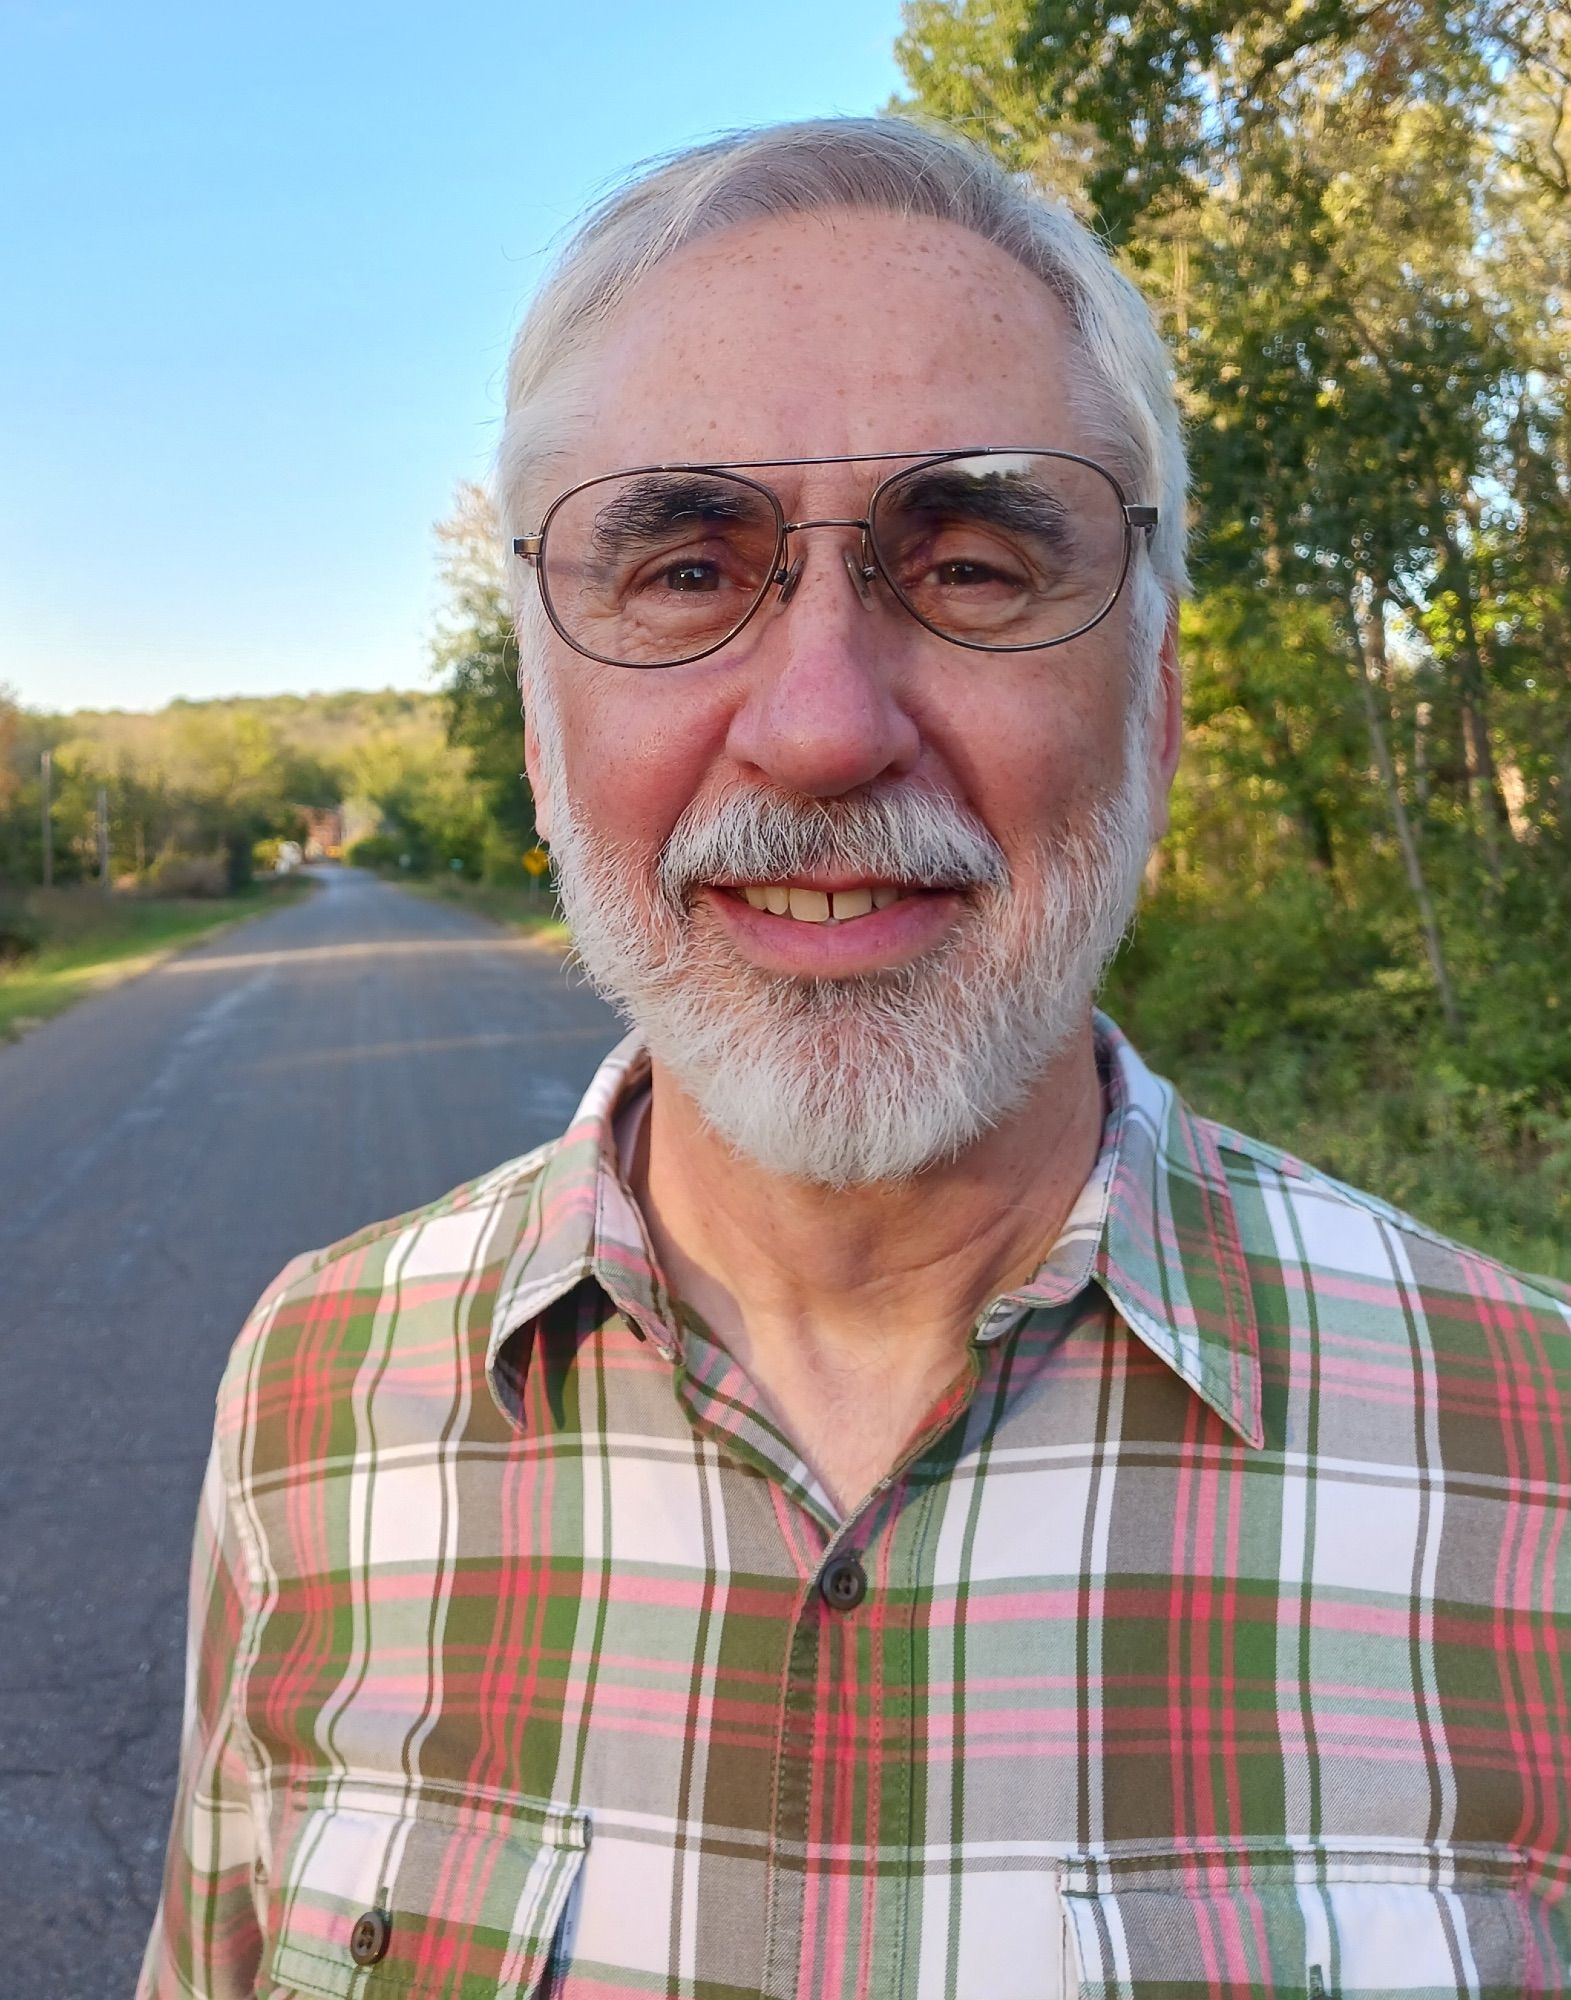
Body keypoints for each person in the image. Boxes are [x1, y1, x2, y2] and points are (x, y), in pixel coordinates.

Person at [139, 118, 1570, 2000]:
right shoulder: (312, 1397)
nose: (819, 731)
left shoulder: (1536, 1458)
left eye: (972, 564)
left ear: (1154, 705)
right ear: (541, 723)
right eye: (681, 572)